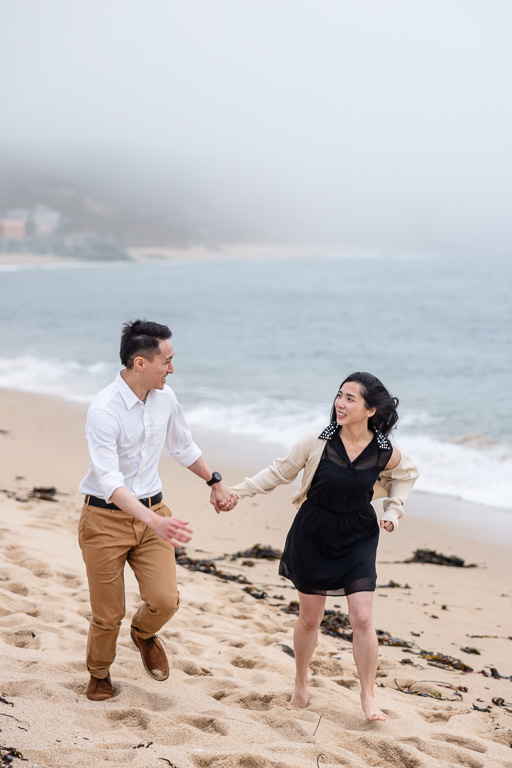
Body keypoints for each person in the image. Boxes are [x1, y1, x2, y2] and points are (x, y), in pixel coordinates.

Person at [228, 372, 418, 721]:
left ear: (370, 410)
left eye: (350, 399)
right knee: (310, 618)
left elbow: (405, 476)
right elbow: (280, 472)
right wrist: (237, 493)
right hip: (314, 532)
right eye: (339, 396)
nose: (340, 404)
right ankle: (301, 683)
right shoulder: (318, 440)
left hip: (358, 534)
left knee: (361, 617)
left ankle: (368, 697)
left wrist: (394, 510)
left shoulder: (384, 450)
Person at [78, 319, 237, 701]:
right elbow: (110, 482)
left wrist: (214, 482)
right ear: (140, 363)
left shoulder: (165, 398)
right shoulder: (104, 410)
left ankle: (143, 633)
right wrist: (153, 520)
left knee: (165, 600)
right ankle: (99, 675)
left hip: (153, 514)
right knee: (107, 614)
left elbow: (182, 446)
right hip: (104, 520)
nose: (172, 368)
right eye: (167, 361)